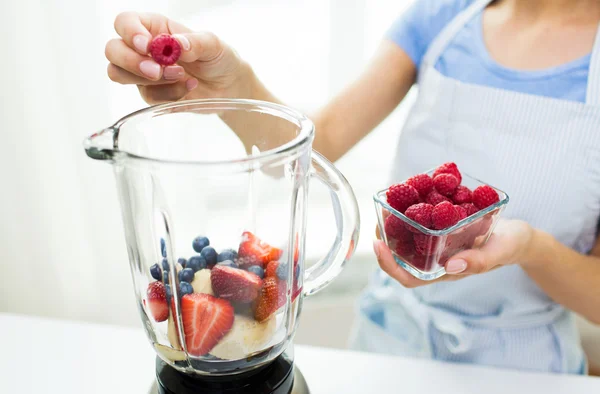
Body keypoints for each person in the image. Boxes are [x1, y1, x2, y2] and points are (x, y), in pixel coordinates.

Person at [104, 0, 600, 374]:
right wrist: (229, 83)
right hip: (392, 345)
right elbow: (317, 148)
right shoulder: (445, 16)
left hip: (526, 366)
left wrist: (530, 248)